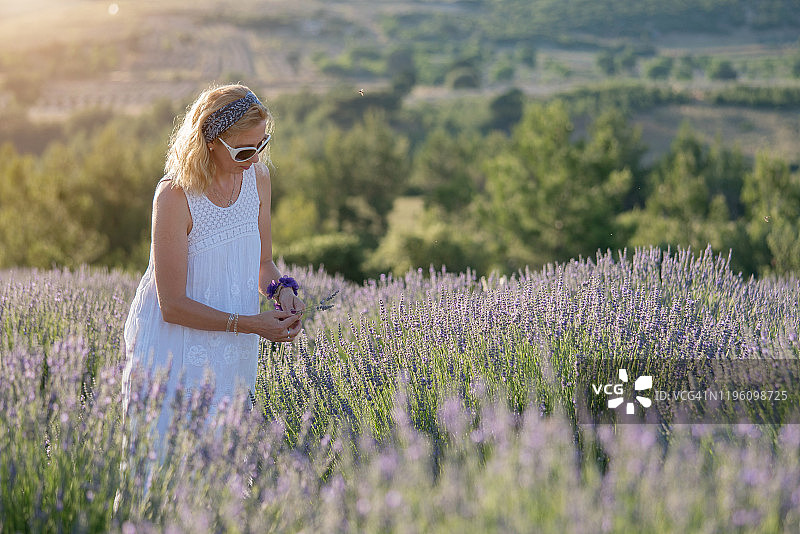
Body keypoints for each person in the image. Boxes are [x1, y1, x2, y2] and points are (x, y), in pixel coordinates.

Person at [121, 83, 304, 460]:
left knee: (224, 467)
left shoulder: (258, 179)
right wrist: (253, 324)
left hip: (233, 345)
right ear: (210, 142)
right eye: (244, 150)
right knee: (168, 463)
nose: (254, 158)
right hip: (176, 348)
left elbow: (263, 263)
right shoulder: (174, 196)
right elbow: (171, 305)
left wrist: (280, 292)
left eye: (262, 145)